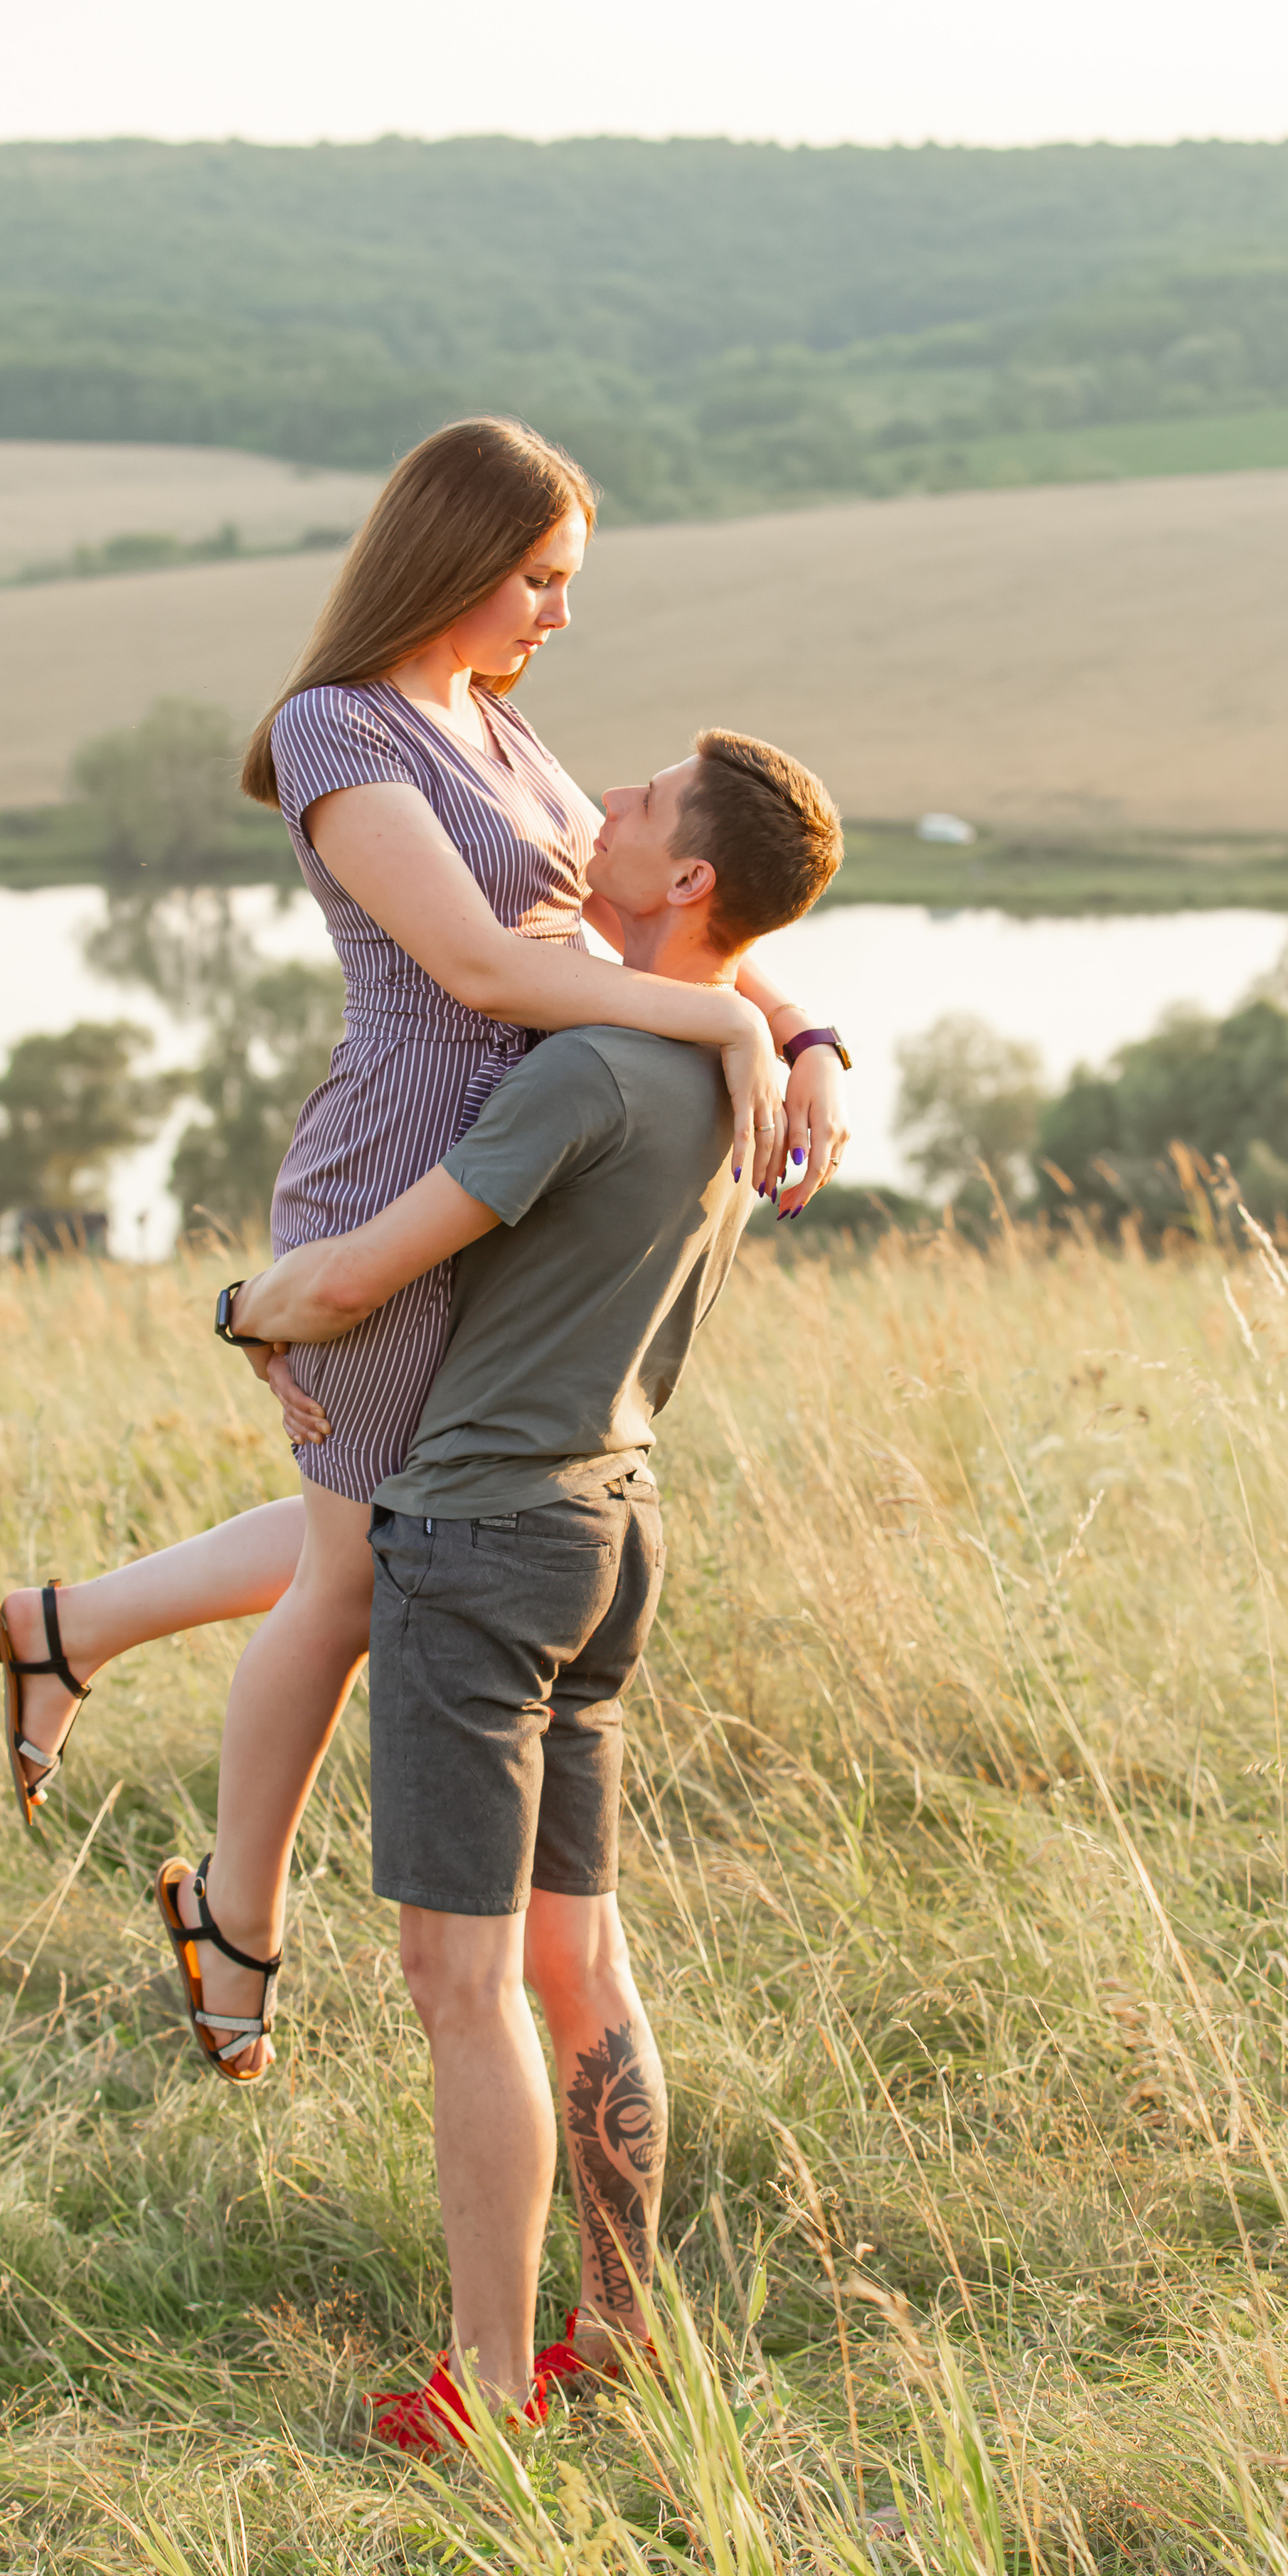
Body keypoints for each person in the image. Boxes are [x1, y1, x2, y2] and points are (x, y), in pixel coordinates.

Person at [0, 418, 852, 2080]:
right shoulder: (338, 732)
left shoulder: (499, 725)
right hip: (404, 1167)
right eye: (539, 578)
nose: (557, 614)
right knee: (360, 1564)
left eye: (566, 583)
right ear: (455, 559)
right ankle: (232, 1928)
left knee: (391, 1515)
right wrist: (713, 1027)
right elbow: (479, 968)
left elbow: (628, 912)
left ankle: (65, 1632)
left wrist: (799, 1029)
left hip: (522, 1169)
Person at [180, 728, 842, 2448]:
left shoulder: (580, 1078)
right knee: (577, 1960)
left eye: (632, 810)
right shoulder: (731, 1071)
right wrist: (797, 1024)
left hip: (478, 1543)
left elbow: (354, 1283)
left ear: (686, 879)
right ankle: (612, 2332)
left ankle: (481, 2387)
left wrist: (244, 1307)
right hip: (612, 1526)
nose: (592, 813)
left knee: (455, 1983)